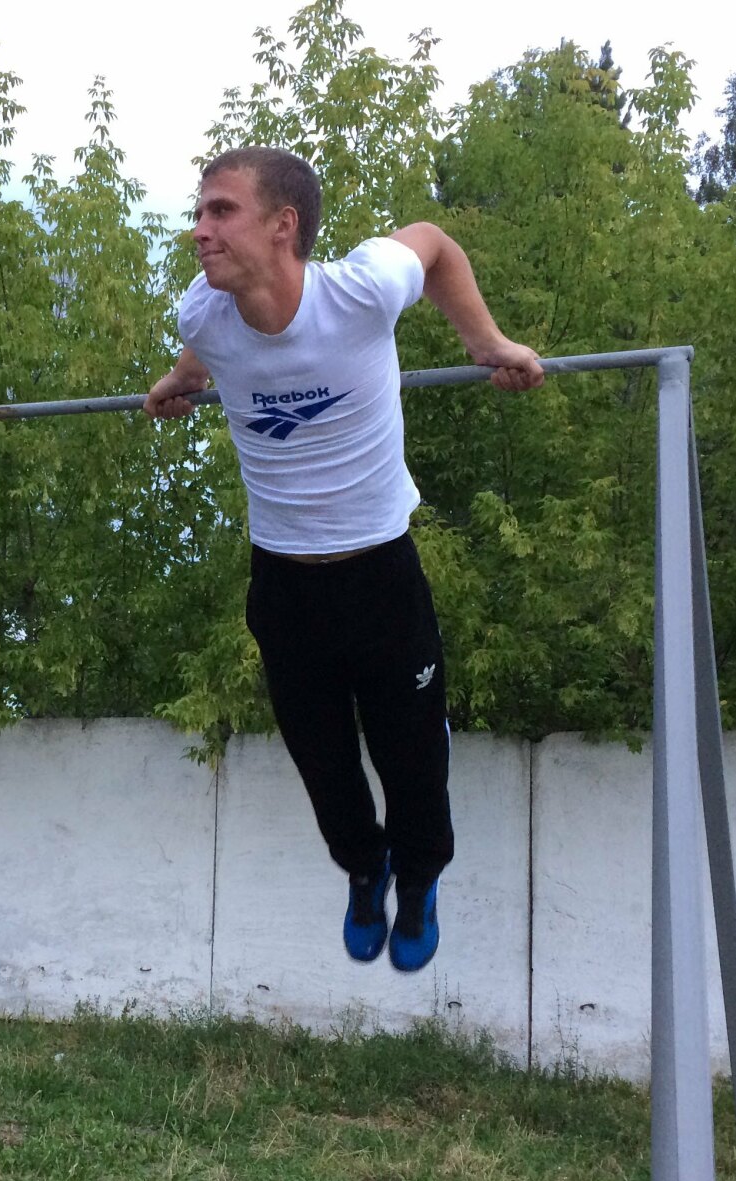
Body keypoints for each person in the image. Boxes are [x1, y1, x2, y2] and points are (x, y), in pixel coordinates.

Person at [143, 145, 544, 973]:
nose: (200, 230)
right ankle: (367, 870)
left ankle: (420, 878)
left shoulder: (360, 291)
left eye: (221, 211)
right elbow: (206, 347)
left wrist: (486, 343)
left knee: (412, 758)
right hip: (283, 582)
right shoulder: (201, 313)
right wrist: (181, 380)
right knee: (322, 762)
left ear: (283, 225)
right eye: (200, 211)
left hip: (380, 574)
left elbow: (434, 242)